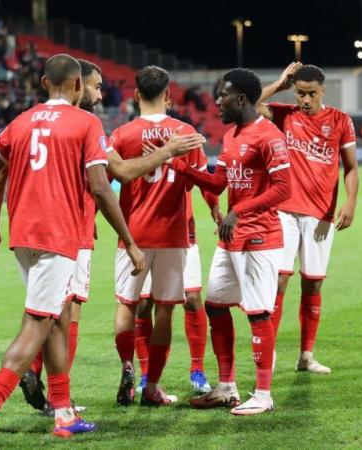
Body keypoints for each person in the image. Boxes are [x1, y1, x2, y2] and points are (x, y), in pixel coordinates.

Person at [0, 59, 204, 413]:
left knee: (110, 306)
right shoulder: (95, 125)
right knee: (70, 312)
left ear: (137, 94)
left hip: (46, 230)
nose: (98, 93)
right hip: (142, 232)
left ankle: (112, 371)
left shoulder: (112, 133)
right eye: (95, 86)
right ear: (78, 85)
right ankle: (127, 387)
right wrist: (171, 155)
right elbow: (113, 178)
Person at [0, 54, 145, 446]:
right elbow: (100, 187)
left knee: (58, 319)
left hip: (21, 237)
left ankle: (63, 413)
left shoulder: (20, 121)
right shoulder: (86, 122)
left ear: (45, 83)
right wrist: (130, 242)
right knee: (38, 322)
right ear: (78, 85)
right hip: (58, 239)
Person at [170, 68, 291, 415]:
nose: (216, 102)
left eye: (222, 95)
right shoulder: (232, 135)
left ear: (240, 98)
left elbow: (284, 189)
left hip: (260, 237)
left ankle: (264, 394)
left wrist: (240, 212)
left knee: (257, 313)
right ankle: (226, 387)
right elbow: (219, 182)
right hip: (232, 237)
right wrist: (179, 166)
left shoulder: (269, 136)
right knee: (216, 305)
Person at [108, 65, 208, 407]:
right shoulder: (186, 133)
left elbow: (106, 184)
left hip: (132, 234)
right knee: (165, 311)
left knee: (127, 305)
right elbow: (200, 181)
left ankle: (127, 367)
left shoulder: (121, 135)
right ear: (168, 96)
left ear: (135, 95)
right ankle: (152, 387)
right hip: (173, 234)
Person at [257, 63, 359, 374]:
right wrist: (279, 84)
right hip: (285, 211)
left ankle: (306, 356)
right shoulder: (285, 115)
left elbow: (351, 167)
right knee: (279, 280)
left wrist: (351, 202)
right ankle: (270, 353)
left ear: (323, 91)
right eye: (300, 93)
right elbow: (249, 102)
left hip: (321, 215)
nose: (305, 99)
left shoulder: (341, 121)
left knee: (313, 285)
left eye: (311, 94)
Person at [134, 174, 221, 396]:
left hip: (181, 228)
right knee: (144, 305)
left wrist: (213, 204)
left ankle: (198, 369)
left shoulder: (186, 139)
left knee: (192, 299)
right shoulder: (139, 139)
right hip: (144, 228)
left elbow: (202, 175)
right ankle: (146, 375)